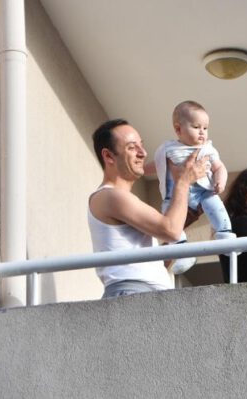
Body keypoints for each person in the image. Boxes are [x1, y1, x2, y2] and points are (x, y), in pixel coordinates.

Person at [88, 118, 208, 298]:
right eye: (131, 147)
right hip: (132, 293)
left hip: (143, 293)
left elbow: (165, 236)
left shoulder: (119, 198)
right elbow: (170, 230)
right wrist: (183, 182)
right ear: (108, 156)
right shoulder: (109, 196)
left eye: (141, 145)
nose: (143, 153)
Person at [149, 100, 235, 275]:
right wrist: (137, 171)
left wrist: (220, 181)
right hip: (175, 196)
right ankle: (182, 251)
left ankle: (225, 234)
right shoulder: (168, 149)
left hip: (203, 192)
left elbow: (219, 167)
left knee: (215, 204)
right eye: (196, 127)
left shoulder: (207, 149)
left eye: (205, 127)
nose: (202, 132)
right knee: (168, 215)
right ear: (178, 129)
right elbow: (156, 165)